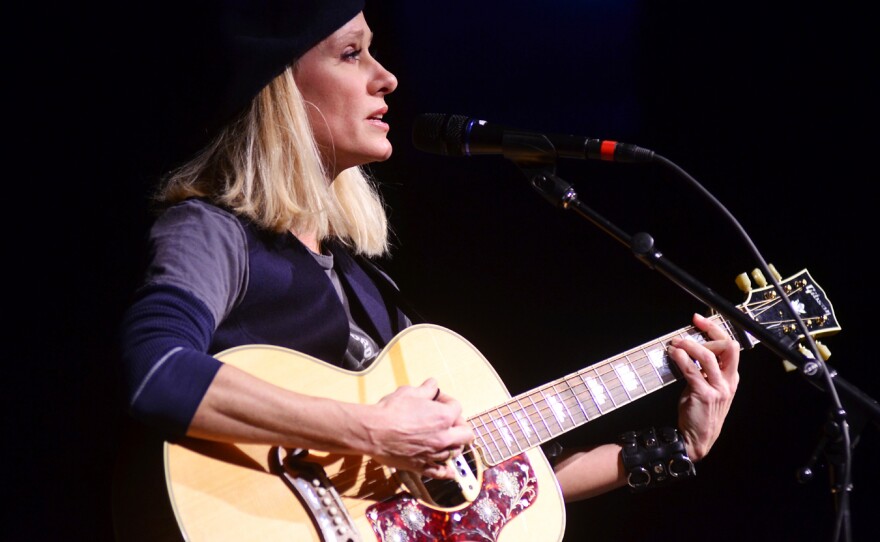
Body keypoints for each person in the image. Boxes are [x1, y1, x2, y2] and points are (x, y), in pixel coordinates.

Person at [116, 1, 740, 539]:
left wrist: (677, 447)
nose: (386, 78)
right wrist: (369, 430)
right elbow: (158, 372)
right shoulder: (212, 231)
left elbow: (485, 476)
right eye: (352, 53)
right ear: (279, 86)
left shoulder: (366, 287)